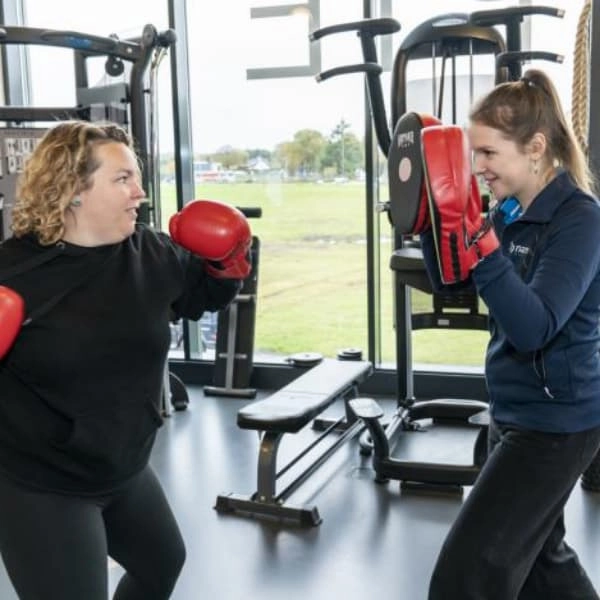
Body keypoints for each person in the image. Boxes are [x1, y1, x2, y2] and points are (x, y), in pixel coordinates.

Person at [0, 120, 250, 599]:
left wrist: (229, 264)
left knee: (161, 567)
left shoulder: (151, 252)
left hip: (124, 467)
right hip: (42, 485)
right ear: (73, 189)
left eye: (137, 177)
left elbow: (200, 296)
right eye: (123, 179)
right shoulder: (14, 273)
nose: (140, 192)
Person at [421, 69, 600, 599]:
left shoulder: (580, 221)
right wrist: (434, 227)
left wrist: (482, 243)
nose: (478, 168)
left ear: (536, 148)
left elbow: (533, 327)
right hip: (513, 409)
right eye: (474, 154)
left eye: (489, 154)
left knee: (465, 577)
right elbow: (453, 286)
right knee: (545, 563)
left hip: (556, 424)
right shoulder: (509, 213)